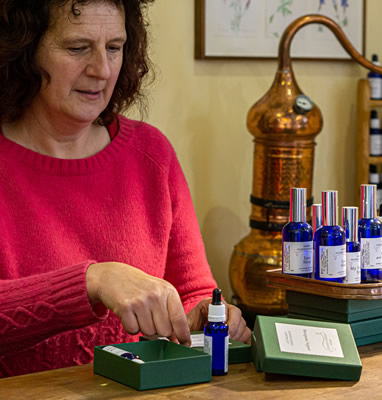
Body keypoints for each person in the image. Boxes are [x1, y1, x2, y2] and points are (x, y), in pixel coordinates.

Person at [0, 0, 251, 377]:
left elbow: (192, 291)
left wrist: (204, 316)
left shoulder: (151, 153)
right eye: (77, 48)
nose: (101, 70)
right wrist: (92, 281)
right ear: (24, 50)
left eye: (114, 48)